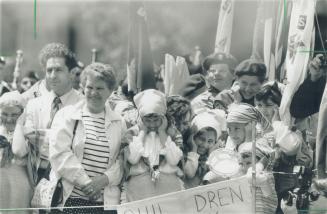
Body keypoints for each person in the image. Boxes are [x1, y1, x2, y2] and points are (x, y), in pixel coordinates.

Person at [49, 62, 126, 213]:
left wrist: (104, 179)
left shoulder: (119, 122)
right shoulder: (66, 116)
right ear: (83, 87)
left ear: (110, 91)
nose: (93, 92)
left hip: (105, 204)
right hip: (71, 201)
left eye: (100, 88)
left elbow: (122, 160)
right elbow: (59, 154)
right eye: (89, 87)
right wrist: (86, 183)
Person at [13, 43, 83, 187]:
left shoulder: (82, 105)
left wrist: (42, 136)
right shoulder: (33, 105)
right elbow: (29, 144)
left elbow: (79, 146)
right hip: (37, 180)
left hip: (71, 184)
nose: (52, 76)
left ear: (71, 72)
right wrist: (61, 138)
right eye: (49, 70)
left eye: (58, 70)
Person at [125, 89, 183, 202]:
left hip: (168, 191)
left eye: (156, 119)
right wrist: (142, 133)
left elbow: (173, 160)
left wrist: (162, 133)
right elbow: (132, 159)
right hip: (140, 191)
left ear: (163, 117)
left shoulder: (172, 133)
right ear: (141, 119)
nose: (152, 124)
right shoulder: (132, 134)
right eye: (147, 120)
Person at [0, 91, 32, 212]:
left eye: (14, 115)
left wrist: (19, 123)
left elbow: (19, 151)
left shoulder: (26, 132)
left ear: (22, 114)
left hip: (19, 189)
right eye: (4, 114)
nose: (8, 119)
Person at [183, 110, 226, 188]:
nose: (205, 145)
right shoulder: (184, 154)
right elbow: (190, 173)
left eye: (210, 141)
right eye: (201, 139)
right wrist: (193, 150)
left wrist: (211, 156)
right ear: (193, 137)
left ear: (215, 142)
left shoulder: (218, 157)